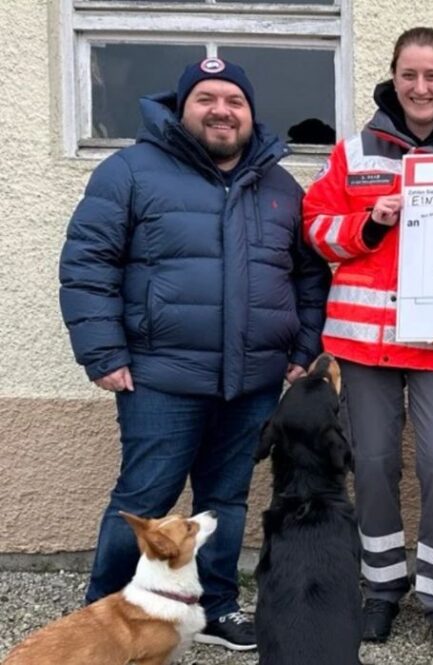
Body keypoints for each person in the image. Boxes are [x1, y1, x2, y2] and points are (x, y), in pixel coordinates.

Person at [58, 57, 330, 652]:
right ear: (182, 109)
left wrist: (303, 347)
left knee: (224, 502)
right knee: (143, 499)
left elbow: (310, 276)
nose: (221, 110)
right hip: (159, 376)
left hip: (253, 379)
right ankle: (102, 615)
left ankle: (216, 609)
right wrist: (103, 352)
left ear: (251, 114)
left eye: (234, 100)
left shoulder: (280, 186)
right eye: (205, 98)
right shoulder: (129, 172)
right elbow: (87, 265)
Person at [302, 27, 433, 663]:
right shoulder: (354, 152)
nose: (420, 88)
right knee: (375, 466)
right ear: (393, 77)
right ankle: (382, 586)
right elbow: (316, 230)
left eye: (432, 76)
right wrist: (367, 222)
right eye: (409, 75)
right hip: (363, 346)